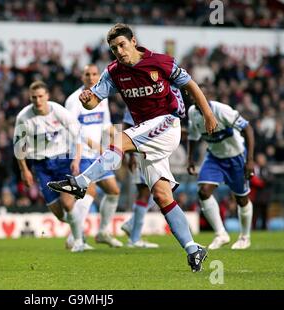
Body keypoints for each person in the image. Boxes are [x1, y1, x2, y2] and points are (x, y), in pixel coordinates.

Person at [48, 23, 218, 272]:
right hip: (147, 135)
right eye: (114, 48)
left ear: (133, 41)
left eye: (122, 45)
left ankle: (81, 183)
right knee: (161, 196)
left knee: (118, 140)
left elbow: (190, 85)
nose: (119, 51)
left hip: (167, 124)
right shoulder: (114, 72)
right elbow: (94, 101)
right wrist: (87, 100)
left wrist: (208, 114)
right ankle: (193, 249)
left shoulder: (160, 62)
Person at [13, 80, 88, 252]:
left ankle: (78, 241)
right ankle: (78, 229)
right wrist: (24, 171)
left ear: (47, 96)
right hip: (41, 166)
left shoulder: (58, 111)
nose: (37, 100)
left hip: (62, 161)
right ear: (30, 98)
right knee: (60, 215)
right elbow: (19, 148)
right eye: (34, 97)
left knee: (68, 204)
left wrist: (76, 160)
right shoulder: (23, 118)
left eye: (40, 96)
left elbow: (77, 134)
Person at [64, 63, 123, 248]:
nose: (91, 77)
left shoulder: (101, 98)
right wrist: (97, 147)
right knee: (90, 191)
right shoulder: (74, 100)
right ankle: (74, 236)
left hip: (99, 153)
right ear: (82, 77)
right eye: (87, 74)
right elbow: (74, 131)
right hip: (81, 154)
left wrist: (125, 139)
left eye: (94, 74)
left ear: (99, 76)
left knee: (113, 191)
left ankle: (103, 232)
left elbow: (106, 125)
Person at [187, 92, 255, 250]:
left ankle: (245, 237)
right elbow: (193, 135)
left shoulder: (222, 110)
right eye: (192, 94)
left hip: (236, 156)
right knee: (203, 192)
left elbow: (248, 129)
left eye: (197, 93)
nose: (194, 97)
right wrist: (190, 159)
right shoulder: (192, 112)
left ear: (206, 96)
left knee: (241, 199)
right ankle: (221, 234)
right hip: (215, 157)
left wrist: (250, 160)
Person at [120, 108, 159, 248]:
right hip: (140, 153)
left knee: (156, 192)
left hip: (151, 152)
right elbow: (126, 128)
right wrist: (129, 155)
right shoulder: (134, 101)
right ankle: (134, 239)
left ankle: (132, 225)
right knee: (145, 192)